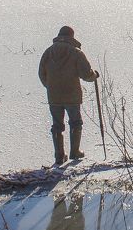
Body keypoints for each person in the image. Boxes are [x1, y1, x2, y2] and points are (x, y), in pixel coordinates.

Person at [38, 25, 99, 165]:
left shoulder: (48, 52)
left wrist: (50, 86)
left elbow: (41, 73)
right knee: (75, 122)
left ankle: (59, 156)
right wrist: (94, 75)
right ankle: (75, 152)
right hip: (72, 95)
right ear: (71, 36)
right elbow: (86, 74)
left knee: (57, 125)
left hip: (54, 96)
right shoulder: (76, 52)